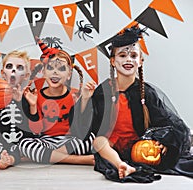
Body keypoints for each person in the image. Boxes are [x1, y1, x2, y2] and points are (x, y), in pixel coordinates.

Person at [78, 25, 192, 182]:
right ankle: (120, 165)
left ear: (140, 61)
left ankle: (127, 162)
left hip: (138, 144)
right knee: (99, 142)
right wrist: (85, 98)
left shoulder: (145, 92)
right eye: (122, 55)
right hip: (112, 145)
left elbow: (167, 122)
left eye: (133, 55)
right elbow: (84, 126)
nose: (128, 60)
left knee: (146, 152)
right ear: (113, 61)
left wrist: (163, 141)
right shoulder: (103, 91)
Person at [18, 37, 95, 165]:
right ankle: (76, 160)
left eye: (61, 69)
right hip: (46, 141)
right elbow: (36, 130)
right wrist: (32, 106)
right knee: (24, 144)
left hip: (69, 141)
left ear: (69, 74)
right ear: (43, 72)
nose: (55, 73)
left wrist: (85, 98)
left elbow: (81, 126)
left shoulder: (74, 94)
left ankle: (48, 157)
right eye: (51, 68)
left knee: (91, 138)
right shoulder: (37, 96)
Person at [0, 50, 36, 169]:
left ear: (26, 75)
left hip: (21, 141)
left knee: (17, 151)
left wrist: (23, 103)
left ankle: (8, 161)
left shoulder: (28, 96)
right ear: (3, 73)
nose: (14, 70)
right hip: (1, 139)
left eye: (19, 67)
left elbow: (34, 125)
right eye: (10, 66)